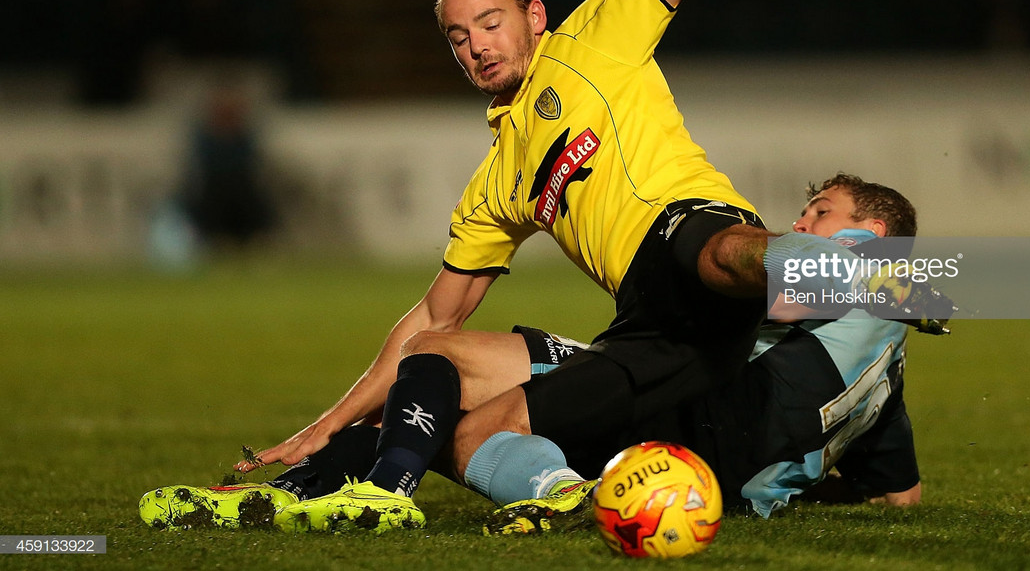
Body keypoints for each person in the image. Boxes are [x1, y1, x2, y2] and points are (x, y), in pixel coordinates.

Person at [139, 0, 950, 532]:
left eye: (489, 22)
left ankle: (893, 275)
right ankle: (307, 488)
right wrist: (327, 418)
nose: (475, 46)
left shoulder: (595, 39)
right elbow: (430, 321)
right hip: (645, 332)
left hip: (686, 240)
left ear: (533, 15)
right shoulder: (501, 178)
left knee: (716, 249)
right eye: (457, 37)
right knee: (442, 389)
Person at [138, 175, 934, 531]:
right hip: (681, 398)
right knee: (440, 353)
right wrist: (800, 489)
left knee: (459, 425)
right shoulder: (883, 367)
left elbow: (832, 271)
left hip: (687, 427)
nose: (801, 219)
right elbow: (899, 494)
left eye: (819, 211)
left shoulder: (860, 284)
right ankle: (307, 486)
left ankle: (530, 486)